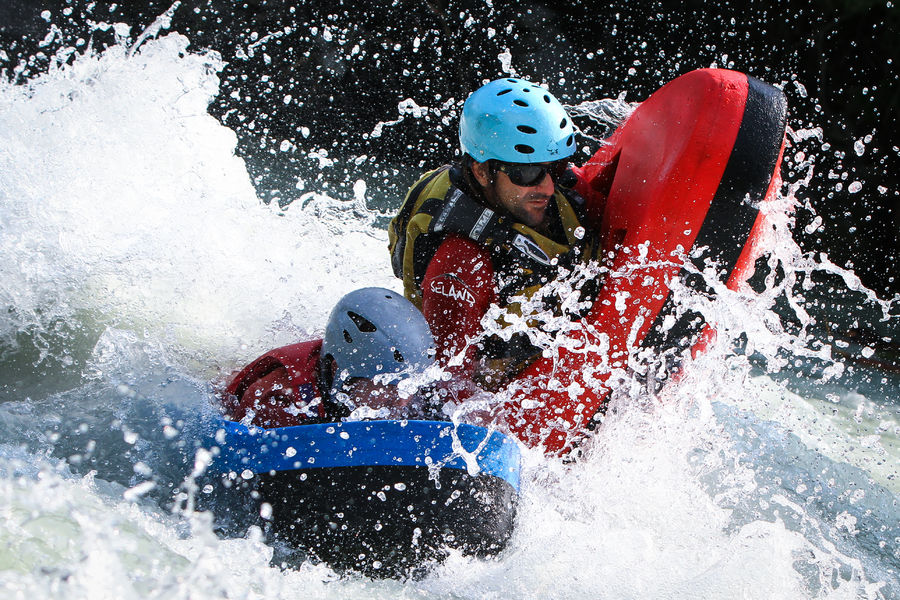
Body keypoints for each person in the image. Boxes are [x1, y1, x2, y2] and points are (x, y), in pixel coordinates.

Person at [388, 78, 601, 389]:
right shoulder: (458, 264)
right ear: (482, 171)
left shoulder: (536, 192)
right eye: (528, 173)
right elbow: (450, 389)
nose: (548, 187)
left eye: (555, 167)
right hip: (501, 379)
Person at [221, 287, 436, 428]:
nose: (402, 401)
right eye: (388, 388)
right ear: (338, 370)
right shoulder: (277, 403)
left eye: (412, 386)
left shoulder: (405, 391)